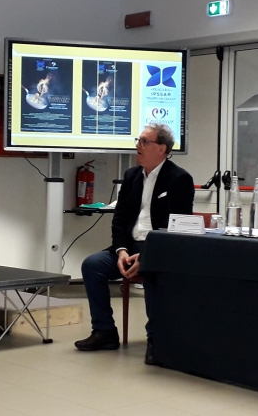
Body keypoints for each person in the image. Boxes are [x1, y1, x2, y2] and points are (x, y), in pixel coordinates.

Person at [75, 123, 193, 365]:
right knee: (93, 265)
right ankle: (104, 331)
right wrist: (121, 251)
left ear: (161, 148)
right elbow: (119, 219)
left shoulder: (179, 179)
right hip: (129, 248)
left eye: (144, 142)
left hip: (160, 249)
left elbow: (175, 227)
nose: (138, 146)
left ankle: (156, 340)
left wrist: (147, 255)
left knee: (152, 272)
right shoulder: (131, 176)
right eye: (138, 141)